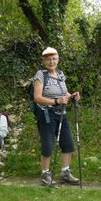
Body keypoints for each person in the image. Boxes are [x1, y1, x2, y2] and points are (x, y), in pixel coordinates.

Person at [33, 47, 80, 186]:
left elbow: (63, 93)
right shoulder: (40, 75)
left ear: (58, 60)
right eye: (48, 59)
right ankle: (45, 174)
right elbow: (37, 97)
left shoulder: (60, 74)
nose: (51, 61)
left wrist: (72, 96)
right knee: (48, 145)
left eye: (54, 58)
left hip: (61, 114)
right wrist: (55, 101)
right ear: (43, 61)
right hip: (46, 114)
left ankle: (65, 173)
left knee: (68, 144)